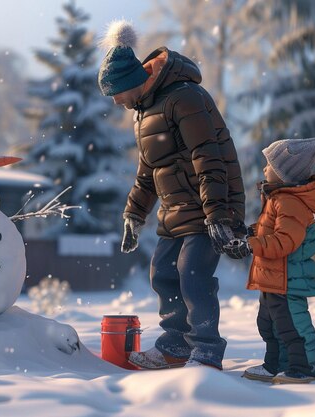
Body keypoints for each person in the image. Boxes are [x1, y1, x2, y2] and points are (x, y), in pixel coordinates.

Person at [97, 21, 245, 370]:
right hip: (177, 209)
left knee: (192, 274)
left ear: (131, 83)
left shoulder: (185, 97)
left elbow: (208, 156)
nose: (117, 102)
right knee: (162, 271)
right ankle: (175, 346)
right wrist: (134, 214)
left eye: (116, 94)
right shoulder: (144, 112)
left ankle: (206, 350)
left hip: (211, 205)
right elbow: (148, 172)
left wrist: (219, 215)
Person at [224, 137, 315, 384]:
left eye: (269, 165)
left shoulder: (290, 202)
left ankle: (303, 366)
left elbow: (284, 241)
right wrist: (250, 232)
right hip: (274, 278)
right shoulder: (278, 199)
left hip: (287, 280)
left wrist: (251, 245)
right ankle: (275, 364)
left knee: (291, 325)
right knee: (269, 325)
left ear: (284, 173)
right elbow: (272, 231)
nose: (264, 169)